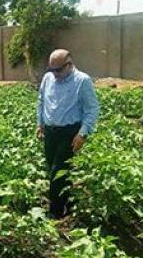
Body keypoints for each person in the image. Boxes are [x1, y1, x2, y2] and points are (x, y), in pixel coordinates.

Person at [36, 49, 100, 218]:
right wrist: (40, 123)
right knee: (54, 169)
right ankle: (69, 201)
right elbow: (42, 101)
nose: (54, 73)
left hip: (69, 133)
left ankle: (55, 214)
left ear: (69, 65)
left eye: (58, 70)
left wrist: (82, 134)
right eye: (52, 70)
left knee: (58, 171)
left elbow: (92, 109)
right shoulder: (48, 78)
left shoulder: (82, 81)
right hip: (50, 132)